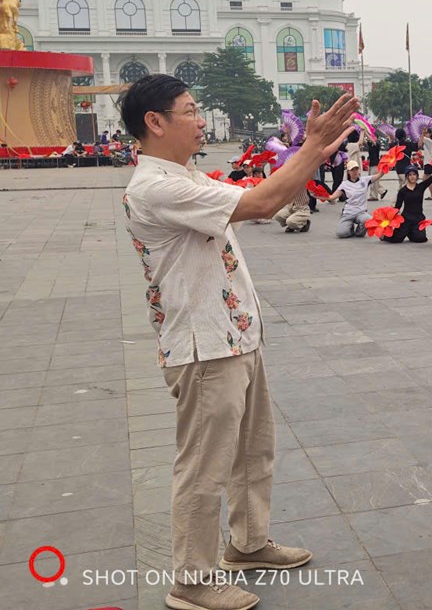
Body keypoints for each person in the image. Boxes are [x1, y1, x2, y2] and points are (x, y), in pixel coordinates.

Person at [119, 74, 357, 610]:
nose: (201, 120)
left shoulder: (187, 176)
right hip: (204, 348)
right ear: (154, 123)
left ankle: (248, 543)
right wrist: (313, 147)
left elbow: (260, 200)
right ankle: (193, 581)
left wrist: (306, 152)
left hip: (235, 334)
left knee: (252, 451)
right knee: (203, 467)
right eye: (190, 110)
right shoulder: (156, 185)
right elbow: (264, 201)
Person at [331, 160, 387, 238]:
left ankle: (359, 231)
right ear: (348, 172)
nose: (355, 171)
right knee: (341, 234)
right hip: (348, 213)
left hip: (361, 212)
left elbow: (379, 175)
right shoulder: (344, 184)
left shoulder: (365, 180)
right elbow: (332, 197)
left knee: (369, 221)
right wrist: (319, 195)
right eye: (352, 170)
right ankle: (350, 228)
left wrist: (386, 165)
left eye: (356, 169)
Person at [385, 164, 432, 243]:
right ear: (407, 176)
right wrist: (389, 220)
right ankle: (385, 236)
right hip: (405, 220)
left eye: (414, 174)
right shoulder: (402, 191)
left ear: (417, 176)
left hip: (418, 219)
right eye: (410, 175)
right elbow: (397, 207)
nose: (412, 177)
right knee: (395, 240)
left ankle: (410, 232)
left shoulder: (421, 187)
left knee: (421, 239)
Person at [420, 127, 432, 200]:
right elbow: (420, 142)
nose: (425, 134)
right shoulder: (427, 141)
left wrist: (422, 133)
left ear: (430, 134)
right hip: (428, 162)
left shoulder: (429, 140)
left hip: (428, 162)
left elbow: (421, 140)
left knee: (424, 179)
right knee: (427, 179)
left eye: (427, 133)